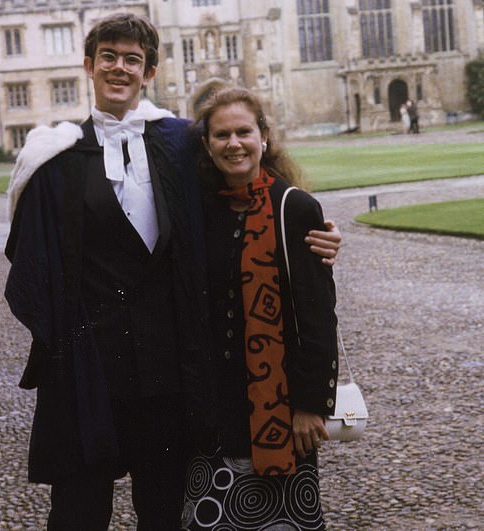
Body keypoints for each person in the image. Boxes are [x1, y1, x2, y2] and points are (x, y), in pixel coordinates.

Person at [4, 13, 341, 530]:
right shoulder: (53, 156)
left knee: (163, 512)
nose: (120, 68)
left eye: (132, 59)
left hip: (166, 375)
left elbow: (244, 196)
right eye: (109, 57)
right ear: (89, 66)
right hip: (87, 371)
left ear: (150, 72)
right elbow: (29, 266)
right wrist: (66, 339)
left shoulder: (180, 144)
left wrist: (308, 231)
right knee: (77, 511)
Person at [181, 88, 338, 530]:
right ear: (207, 145)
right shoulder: (199, 213)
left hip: (280, 407)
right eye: (221, 134)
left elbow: (318, 316)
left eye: (244, 132)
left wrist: (311, 404)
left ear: (264, 137)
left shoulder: (295, 207)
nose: (234, 143)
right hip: (214, 408)